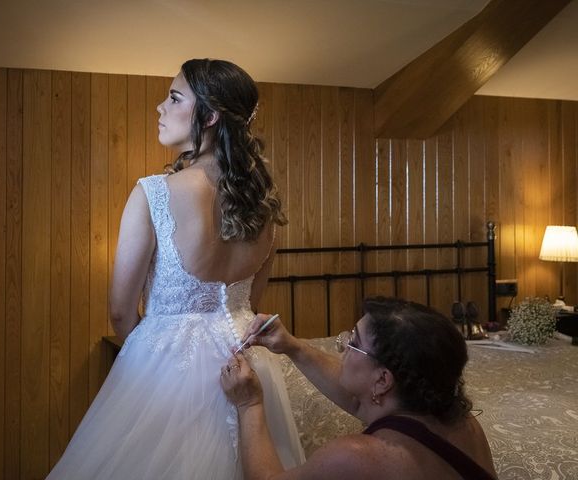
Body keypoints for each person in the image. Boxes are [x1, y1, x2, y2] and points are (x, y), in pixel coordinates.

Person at [47, 58, 305, 479]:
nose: (159, 108)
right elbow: (250, 305)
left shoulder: (154, 193)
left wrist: (151, 360)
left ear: (211, 113)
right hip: (245, 366)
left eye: (173, 97)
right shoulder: (264, 209)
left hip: (165, 372)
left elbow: (120, 312)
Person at [221, 297, 497, 480]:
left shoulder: (354, 456)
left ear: (383, 380)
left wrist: (250, 405)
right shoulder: (466, 424)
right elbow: (361, 403)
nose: (341, 346)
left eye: (353, 341)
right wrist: (293, 346)